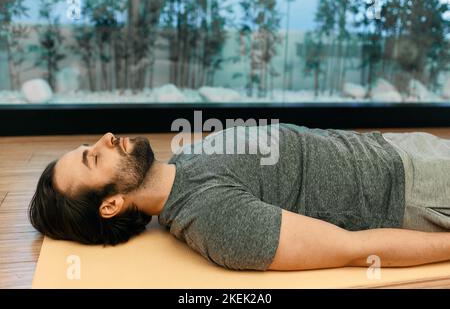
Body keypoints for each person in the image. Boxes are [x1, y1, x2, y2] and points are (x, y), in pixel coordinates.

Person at [28, 123, 450, 271]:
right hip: (412, 188)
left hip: (393, 147)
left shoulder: (185, 159)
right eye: (92, 158)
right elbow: (355, 249)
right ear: (110, 205)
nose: (105, 139)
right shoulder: (213, 218)